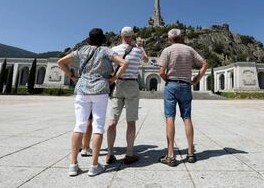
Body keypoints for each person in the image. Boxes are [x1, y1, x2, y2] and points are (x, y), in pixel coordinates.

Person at [57, 28, 128, 177]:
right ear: (102, 39)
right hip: (100, 90)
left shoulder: (81, 50)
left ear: (89, 39)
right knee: (98, 126)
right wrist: (113, 79)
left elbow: (60, 62)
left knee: (79, 125)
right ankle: (94, 165)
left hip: (82, 90)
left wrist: (72, 76)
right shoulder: (106, 51)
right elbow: (124, 63)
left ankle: (73, 164)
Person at [158, 28, 208, 166]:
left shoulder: (167, 50)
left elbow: (161, 71)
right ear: (182, 38)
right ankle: (191, 153)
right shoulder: (190, 50)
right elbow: (204, 63)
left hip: (172, 86)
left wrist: (168, 79)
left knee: (170, 118)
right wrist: (196, 79)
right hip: (186, 86)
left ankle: (171, 156)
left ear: (169, 39)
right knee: (187, 118)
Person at [106, 26, 149, 165]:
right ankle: (129, 154)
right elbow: (146, 60)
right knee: (131, 122)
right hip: (132, 85)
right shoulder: (137, 51)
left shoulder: (113, 50)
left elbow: (108, 67)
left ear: (121, 35)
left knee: (112, 121)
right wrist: (141, 46)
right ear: (131, 37)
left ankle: (110, 154)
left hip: (117, 84)